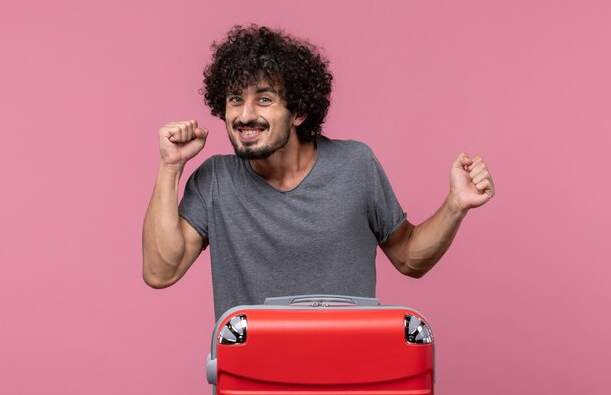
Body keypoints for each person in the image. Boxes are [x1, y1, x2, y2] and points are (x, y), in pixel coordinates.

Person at [142, 25, 495, 320]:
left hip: (347, 376)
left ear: (298, 113)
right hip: (251, 379)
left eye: (263, 99)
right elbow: (161, 272)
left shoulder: (355, 164)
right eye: (235, 99)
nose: (244, 115)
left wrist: (454, 205)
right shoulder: (214, 180)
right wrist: (170, 166)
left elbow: (408, 258)